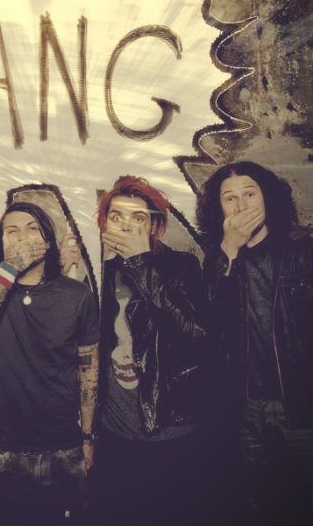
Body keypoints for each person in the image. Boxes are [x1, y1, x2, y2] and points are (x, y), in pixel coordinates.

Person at [0, 201, 99, 525]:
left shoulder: (76, 295)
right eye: (11, 231)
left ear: (48, 242)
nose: (21, 237)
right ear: (2, 243)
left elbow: (88, 370)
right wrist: (9, 269)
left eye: (31, 229)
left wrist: (88, 437)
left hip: (63, 446)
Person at [197, 161, 313, 526]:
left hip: (301, 404)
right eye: (229, 198)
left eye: (250, 194)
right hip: (245, 407)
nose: (241, 206)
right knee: (257, 500)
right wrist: (228, 251)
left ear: (268, 197)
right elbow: (208, 326)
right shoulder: (219, 261)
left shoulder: (303, 249)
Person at [94, 175, 207, 526]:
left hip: (170, 426)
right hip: (115, 430)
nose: (125, 225)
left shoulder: (182, 266)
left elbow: (194, 335)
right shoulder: (101, 271)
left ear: (155, 225)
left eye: (137, 217)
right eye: (116, 217)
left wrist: (141, 264)